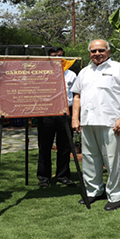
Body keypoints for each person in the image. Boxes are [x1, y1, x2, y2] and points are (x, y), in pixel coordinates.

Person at [71, 39, 120, 211]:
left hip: (112, 123)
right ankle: (94, 191)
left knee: (112, 160)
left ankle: (115, 195)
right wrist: (75, 118)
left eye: (101, 50)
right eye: (93, 51)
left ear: (108, 52)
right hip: (87, 122)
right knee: (89, 158)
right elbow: (77, 96)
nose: (97, 53)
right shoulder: (84, 72)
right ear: (89, 53)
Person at [37, 47, 78, 188]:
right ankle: (44, 178)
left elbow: (77, 95)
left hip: (65, 113)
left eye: (59, 56)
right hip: (46, 113)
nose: (56, 59)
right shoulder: (40, 74)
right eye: (53, 56)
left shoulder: (71, 75)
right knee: (44, 146)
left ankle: (63, 176)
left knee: (65, 146)